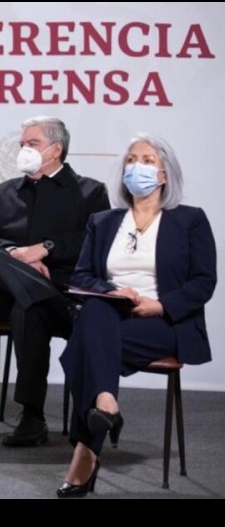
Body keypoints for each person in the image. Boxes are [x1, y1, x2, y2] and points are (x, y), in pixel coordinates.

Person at [56, 134, 216, 497]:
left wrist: (160, 305)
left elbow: (204, 281)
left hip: (164, 323)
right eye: (131, 160)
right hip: (111, 316)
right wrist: (113, 292)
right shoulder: (103, 221)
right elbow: (81, 276)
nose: (136, 167)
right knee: (96, 308)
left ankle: (88, 447)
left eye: (146, 160)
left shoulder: (189, 220)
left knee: (83, 349)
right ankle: (104, 403)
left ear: (164, 174)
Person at [0, 116, 110, 447]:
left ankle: (32, 417)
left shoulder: (90, 192)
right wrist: (18, 254)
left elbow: (97, 243)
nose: (24, 150)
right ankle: (33, 289)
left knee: (28, 310)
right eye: (22, 145)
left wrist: (46, 248)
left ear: (56, 150)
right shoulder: (2, 194)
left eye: (32, 144)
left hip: (66, 296)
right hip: (8, 293)